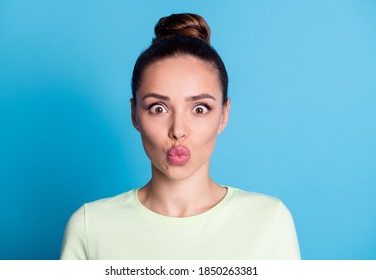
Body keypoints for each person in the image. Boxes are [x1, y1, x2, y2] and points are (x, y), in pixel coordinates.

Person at [60, 13, 301, 260]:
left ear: (224, 114)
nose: (178, 130)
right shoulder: (91, 227)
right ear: (135, 114)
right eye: (158, 108)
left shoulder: (268, 222)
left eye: (199, 109)